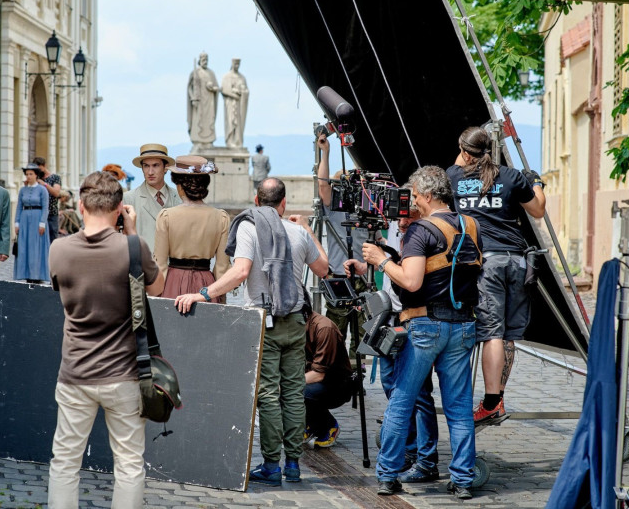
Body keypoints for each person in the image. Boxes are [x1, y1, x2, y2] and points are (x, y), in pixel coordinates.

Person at [174, 178, 329, 487]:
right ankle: (294, 464)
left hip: (263, 319)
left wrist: (203, 293)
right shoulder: (298, 233)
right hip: (296, 319)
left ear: (257, 202)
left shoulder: (249, 228)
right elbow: (324, 268)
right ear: (283, 203)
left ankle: (272, 465)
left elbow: (241, 271)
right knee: (294, 391)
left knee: (269, 394)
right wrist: (309, 229)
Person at [359, 166, 482, 499]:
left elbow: (412, 281)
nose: (409, 201)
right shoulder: (471, 225)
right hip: (463, 324)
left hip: (425, 325)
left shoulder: (420, 231)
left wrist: (380, 261)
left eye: (413, 195)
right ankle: (463, 480)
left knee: (402, 400)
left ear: (427, 196)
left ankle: (387, 475)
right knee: (458, 407)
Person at [47, 170, 165, 508]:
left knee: (65, 462)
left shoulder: (60, 250)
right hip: (125, 374)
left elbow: (62, 289)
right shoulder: (133, 248)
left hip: (75, 372)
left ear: (81, 206)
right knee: (128, 464)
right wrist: (131, 233)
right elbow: (156, 289)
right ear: (119, 208)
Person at [446, 126, 546, 425]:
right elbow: (538, 210)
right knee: (509, 336)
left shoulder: (454, 177)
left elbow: (457, 166)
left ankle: (490, 403)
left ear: (465, 152)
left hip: (486, 263)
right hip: (517, 262)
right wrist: (537, 182)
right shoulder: (511, 177)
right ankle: (498, 397)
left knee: (491, 333)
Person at [349, 201, 441, 482]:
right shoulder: (398, 234)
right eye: (398, 222)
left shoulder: (424, 236)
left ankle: (426, 460)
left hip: (413, 320)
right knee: (392, 388)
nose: (402, 225)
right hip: (387, 320)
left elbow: (409, 278)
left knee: (419, 396)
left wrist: (384, 260)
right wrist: (367, 269)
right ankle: (409, 450)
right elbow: (389, 273)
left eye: (408, 220)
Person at [316, 135, 380, 357]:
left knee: (363, 329)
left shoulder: (367, 207)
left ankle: (356, 369)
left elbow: (379, 241)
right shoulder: (333, 209)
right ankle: (335, 369)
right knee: (336, 329)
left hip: (363, 276)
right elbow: (323, 187)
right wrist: (326, 153)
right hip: (338, 275)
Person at [153, 155, 230, 302]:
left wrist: (154, 298)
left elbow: (160, 265)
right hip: (207, 285)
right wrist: (220, 298)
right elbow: (222, 267)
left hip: (172, 283)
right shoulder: (221, 218)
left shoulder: (166, 216)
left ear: (179, 185)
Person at [304, 308, 352, 448]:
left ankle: (328, 425)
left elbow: (319, 374)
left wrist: (285, 384)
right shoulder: (294, 327)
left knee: (296, 391)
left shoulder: (324, 328)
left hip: (336, 384)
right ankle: (309, 424)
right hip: (312, 377)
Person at [123, 144, 181, 252]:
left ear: (165, 168)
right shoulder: (128, 199)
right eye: (146, 166)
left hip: (173, 266)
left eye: (155, 165)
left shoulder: (180, 198)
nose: (150, 172)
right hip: (143, 266)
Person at [14, 163, 51, 283]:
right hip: (25, 220)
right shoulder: (23, 190)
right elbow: (19, 206)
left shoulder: (42, 190)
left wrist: (42, 223)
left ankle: (37, 275)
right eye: (27, 174)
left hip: (37, 218)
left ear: (36, 175)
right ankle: (26, 274)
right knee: (25, 247)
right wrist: (17, 222)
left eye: (31, 174)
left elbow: (45, 207)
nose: (28, 176)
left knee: (36, 247)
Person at [187, 52, 220, 147]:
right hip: (199, 101)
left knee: (209, 121)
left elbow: (216, 87)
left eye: (206, 60)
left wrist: (213, 88)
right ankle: (198, 141)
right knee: (198, 120)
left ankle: (209, 142)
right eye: (203, 60)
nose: (205, 62)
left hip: (209, 101)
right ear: (200, 61)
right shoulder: (195, 72)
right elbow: (189, 87)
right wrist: (193, 97)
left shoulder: (211, 73)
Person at [221, 58, 249, 148]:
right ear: (232, 64)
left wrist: (243, 91)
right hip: (230, 103)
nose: (237, 66)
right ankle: (230, 140)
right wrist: (234, 92)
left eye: (238, 64)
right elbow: (224, 89)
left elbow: (246, 91)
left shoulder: (242, 77)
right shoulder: (227, 76)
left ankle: (237, 141)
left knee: (238, 123)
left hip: (239, 105)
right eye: (235, 64)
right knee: (230, 121)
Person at [33, 157, 62, 243]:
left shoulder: (55, 177)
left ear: (44, 166)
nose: (39, 171)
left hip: (52, 213)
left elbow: (56, 193)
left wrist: (44, 184)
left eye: (40, 168)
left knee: (52, 239)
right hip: (39, 213)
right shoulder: (37, 178)